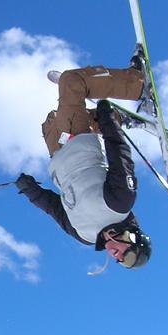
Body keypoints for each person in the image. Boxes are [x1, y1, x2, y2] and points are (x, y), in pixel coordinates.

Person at [15, 63, 152, 270]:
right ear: (133, 239)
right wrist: (107, 120)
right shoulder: (120, 203)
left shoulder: (84, 235)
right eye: (128, 256)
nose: (118, 258)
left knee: (50, 122)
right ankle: (139, 84)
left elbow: (55, 209)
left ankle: (119, 117)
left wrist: (29, 190)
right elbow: (118, 153)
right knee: (72, 82)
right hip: (78, 142)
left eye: (122, 263)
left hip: (57, 152)